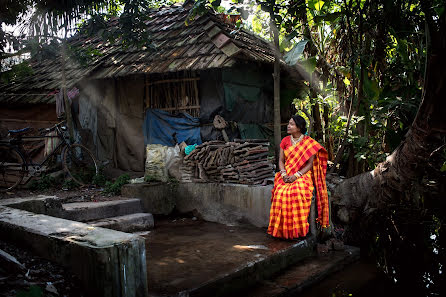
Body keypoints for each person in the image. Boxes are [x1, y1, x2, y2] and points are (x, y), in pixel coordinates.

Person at [267, 115, 329, 240]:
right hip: (286, 173)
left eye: (291, 124)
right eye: (289, 124)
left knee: (296, 192)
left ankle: (296, 232)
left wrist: (296, 176)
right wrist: (284, 174)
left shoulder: (309, 142)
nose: (288, 126)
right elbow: (280, 161)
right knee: (280, 193)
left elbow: (310, 164)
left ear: (299, 127)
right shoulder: (285, 141)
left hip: (302, 174)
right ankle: (281, 231)